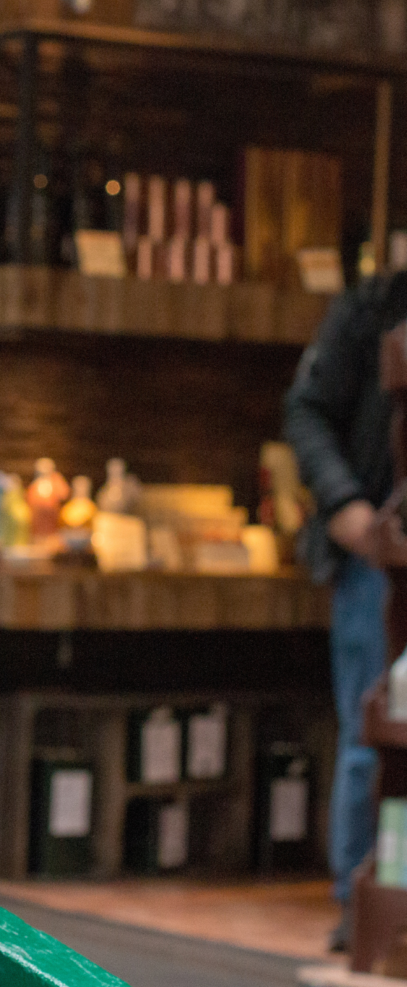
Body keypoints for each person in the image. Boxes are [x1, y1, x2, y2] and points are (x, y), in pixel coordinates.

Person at [285, 270, 407, 951]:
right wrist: (346, 506)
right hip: (378, 555)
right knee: (374, 729)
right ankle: (359, 909)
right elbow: (306, 410)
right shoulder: (373, 308)